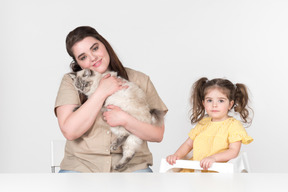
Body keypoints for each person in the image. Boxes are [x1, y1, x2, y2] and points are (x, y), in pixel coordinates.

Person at [54, 26, 168, 173]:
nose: (93, 58)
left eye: (95, 48)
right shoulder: (72, 82)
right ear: (78, 63)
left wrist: (126, 120)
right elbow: (70, 131)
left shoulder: (140, 79)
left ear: (104, 44)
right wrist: (101, 92)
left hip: (132, 168)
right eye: (83, 57)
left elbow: (157, 134)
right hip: (82, 167)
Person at [166, 77, 253, 172]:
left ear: (230, 104)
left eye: (221, 101)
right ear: (203, 103)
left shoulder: (234, 126)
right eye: (209, 100)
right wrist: (176, 155)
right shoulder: (202, 123)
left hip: (219, 172)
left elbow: (233, 151)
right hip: (196, 170)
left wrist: (213, 158)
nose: (214, 105)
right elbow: (188, 144)